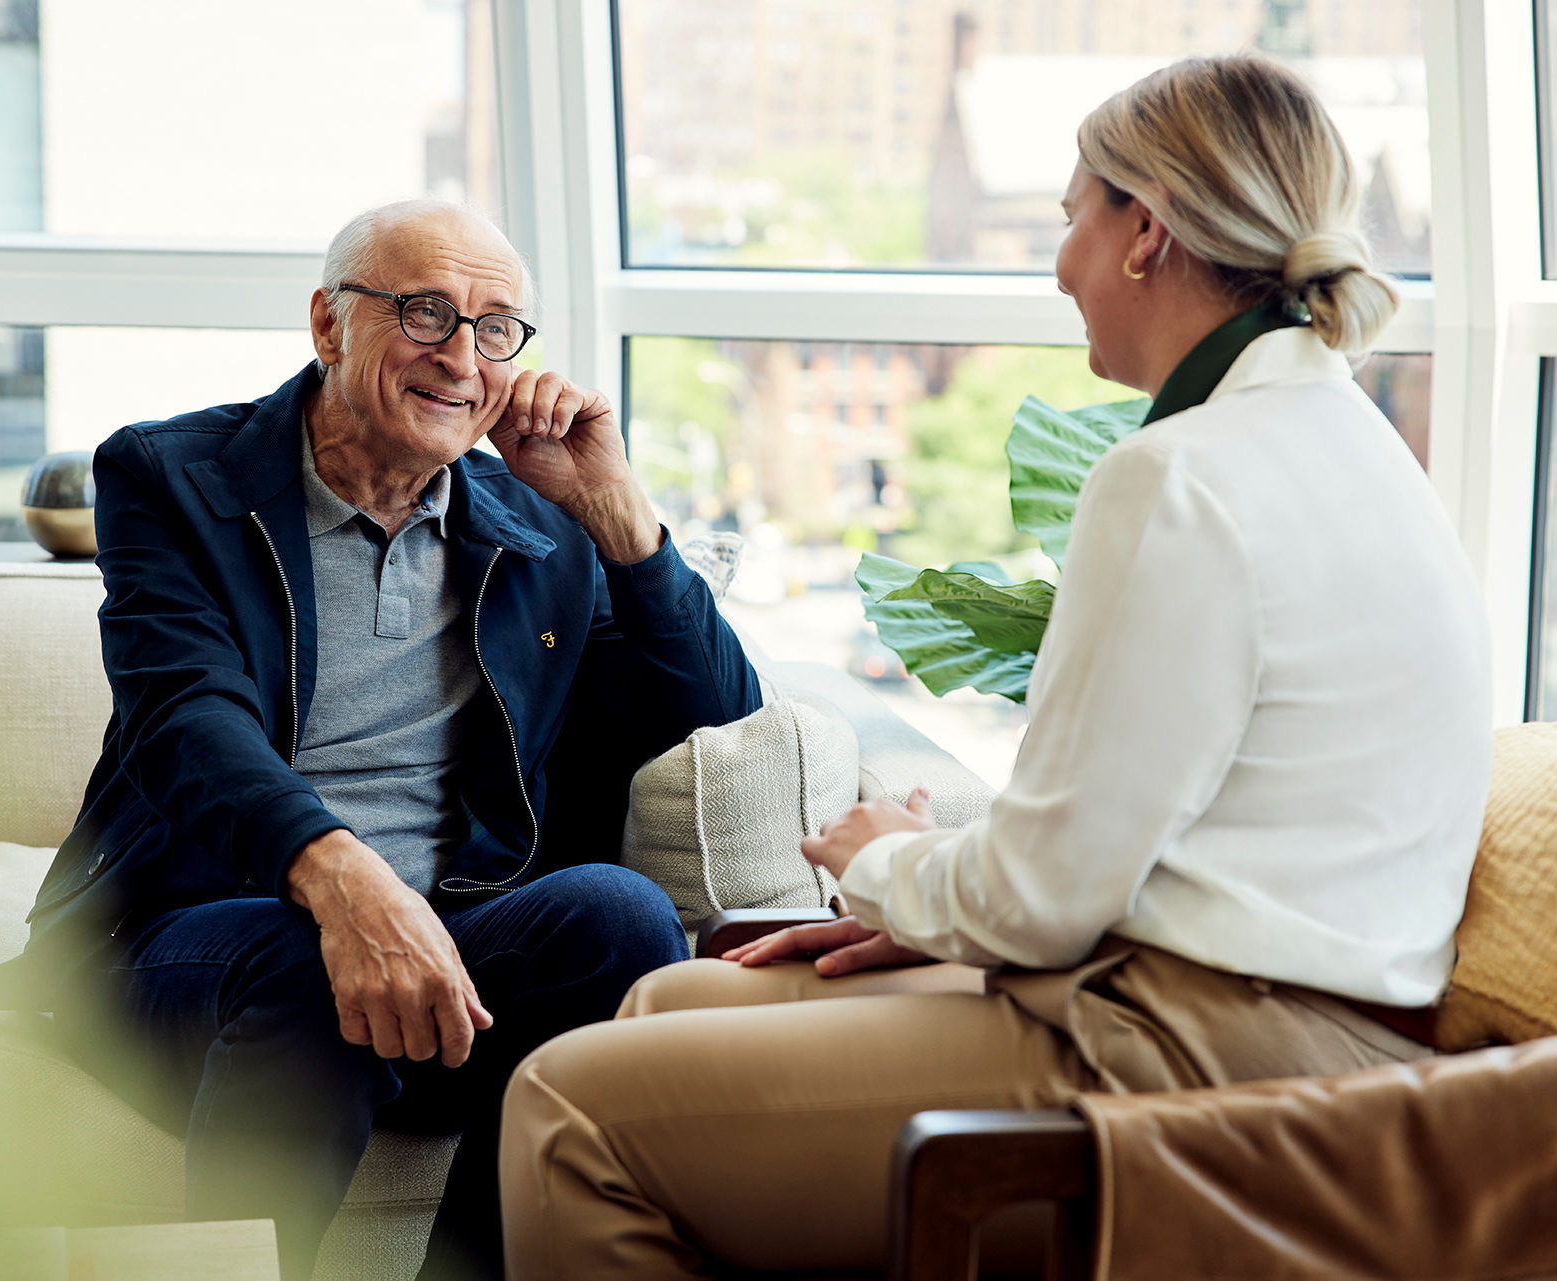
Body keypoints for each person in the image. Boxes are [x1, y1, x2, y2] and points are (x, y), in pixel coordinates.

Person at [497, 54, 1491, 1280]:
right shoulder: (1353, 446)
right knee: (668, 1006)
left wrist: (882, 865)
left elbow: (1046, 898)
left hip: (1207, 1057)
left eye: (1075, 215)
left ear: (1147, 233)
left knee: (566, 1111)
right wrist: (939, 897)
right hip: (1248, 1012)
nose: (1060, 260)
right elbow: (1158, 841)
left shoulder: (1179, 476)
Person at [0, 199, 762, 1281]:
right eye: (427, 312)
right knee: (313, 958)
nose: (461, 357)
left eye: (496, 330)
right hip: (197, 935)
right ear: (328, 324)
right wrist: (343, 883)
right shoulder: (176, 480)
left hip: (457, 942)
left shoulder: (542, 525)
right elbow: (182, 719)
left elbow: (716, 711)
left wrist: (619, 516)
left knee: (618, 915)